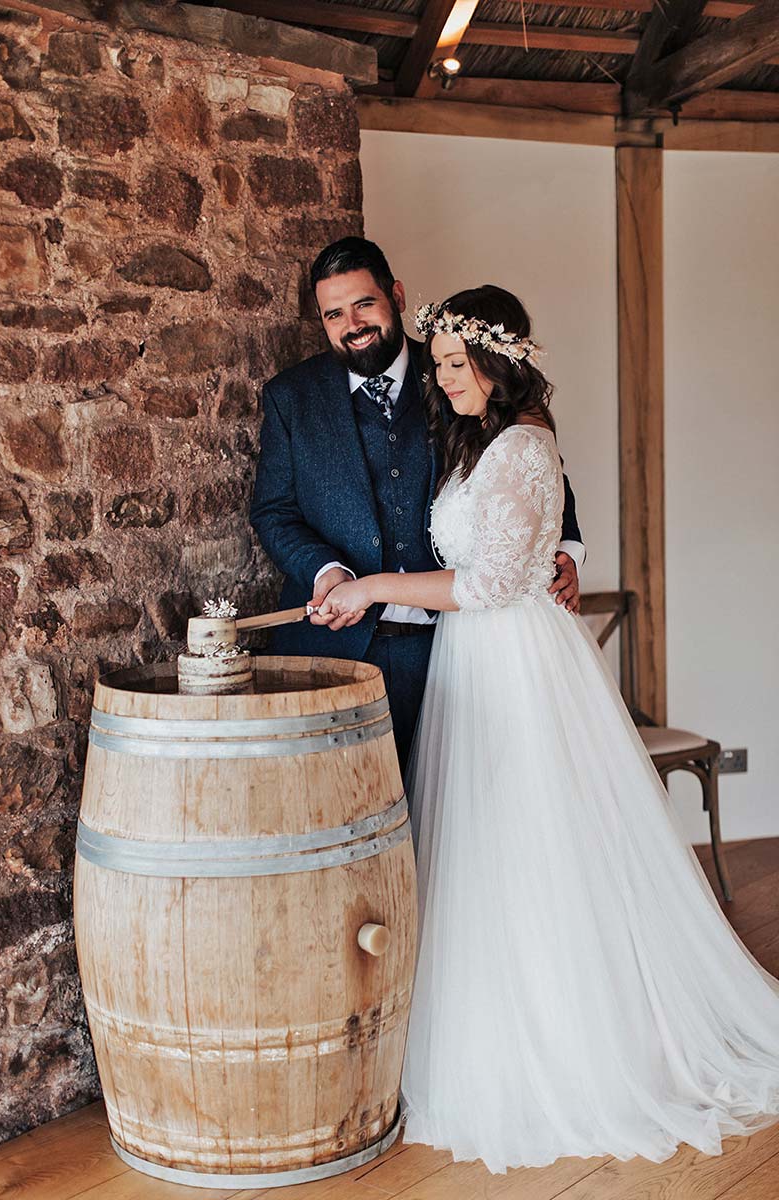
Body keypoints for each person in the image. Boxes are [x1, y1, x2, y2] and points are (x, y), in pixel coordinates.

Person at [317, 285, 779, 1172]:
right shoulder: (475, 440)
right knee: (485, 853)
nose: (444, 379)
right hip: (472, 665)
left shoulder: (525, 445)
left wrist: (374, 589)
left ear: (501, 363)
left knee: (538, 847)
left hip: (517, 662)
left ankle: (572, 1049)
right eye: (442, 363)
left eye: (458, 365)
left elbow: (492, 581)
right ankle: (491, 1029)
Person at [250, 239, 584, 772]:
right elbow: (273, 509)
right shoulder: (293, 396)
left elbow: (537, 466)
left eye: (364, 304)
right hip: (332, 653)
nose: (351, 323)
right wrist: (326, 571)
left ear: (397, 296)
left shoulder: (461, 372)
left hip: (452, 653)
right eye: (334, 313)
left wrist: (566, 549)